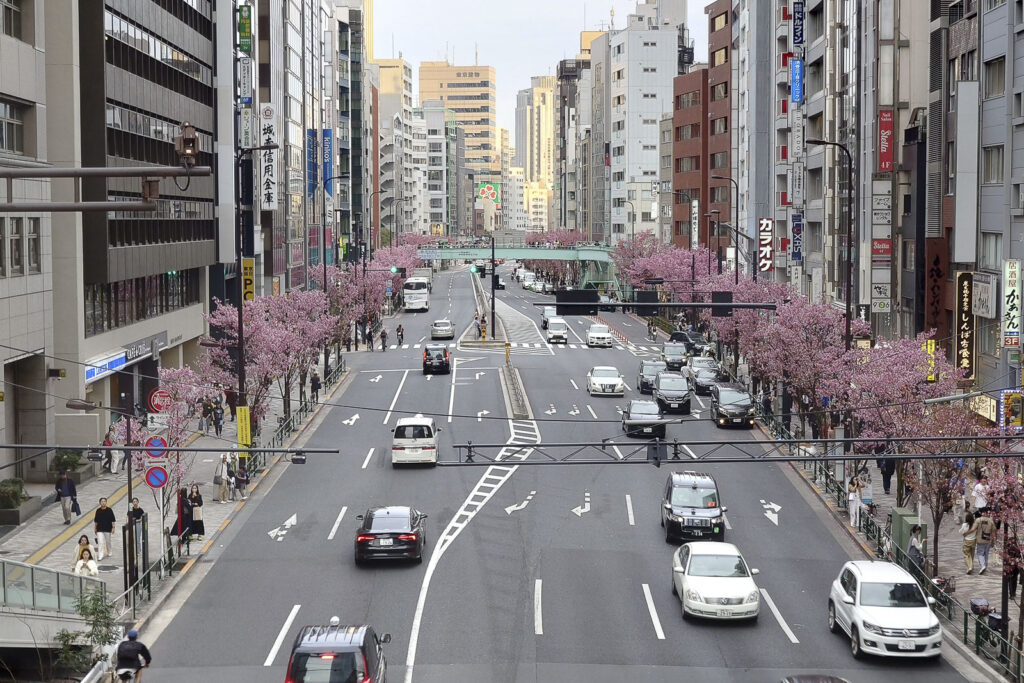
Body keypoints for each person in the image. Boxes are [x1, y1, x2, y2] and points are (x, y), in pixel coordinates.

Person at [94, 497, 116, 561]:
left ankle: (109, 551)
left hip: (107, 528)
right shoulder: (98, 510)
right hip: (99, 528)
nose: (103, 502)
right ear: (100, 503)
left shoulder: (109, 510)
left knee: (108, 541)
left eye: (104, 501)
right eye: (102, 501)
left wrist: (113, 528)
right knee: (100, 542)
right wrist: (95, 528)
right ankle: (100, 555)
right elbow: (96, 520)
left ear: (106, 502)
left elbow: (113, 520)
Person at [975, 511, 996, 575]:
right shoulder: (991, 521)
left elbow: (974, 528)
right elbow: (993, 531)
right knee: (986, 554)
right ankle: (985, 566)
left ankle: (982, 566)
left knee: (980, 553)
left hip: (980, 540)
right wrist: (993, 539)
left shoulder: (978, 520)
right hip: (988, 540)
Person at [1006, 535, 1022, 599]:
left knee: (1011, 579)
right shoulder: (1018, 548)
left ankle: (1012, 593)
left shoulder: (1008, 547)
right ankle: (1012, 593)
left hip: (1010, 565)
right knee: (1013, 579)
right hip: (1015, 565)